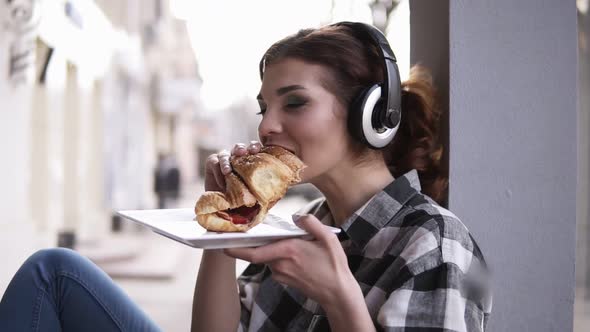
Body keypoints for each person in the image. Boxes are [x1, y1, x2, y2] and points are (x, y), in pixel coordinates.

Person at [0, 22, 492, 332]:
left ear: (370, 116)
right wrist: (223, 226)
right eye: (264, 108)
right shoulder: (303, 223)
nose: (266, 126)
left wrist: (339, 297)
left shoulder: (433, 243)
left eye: (294, 102)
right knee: (54, 274)